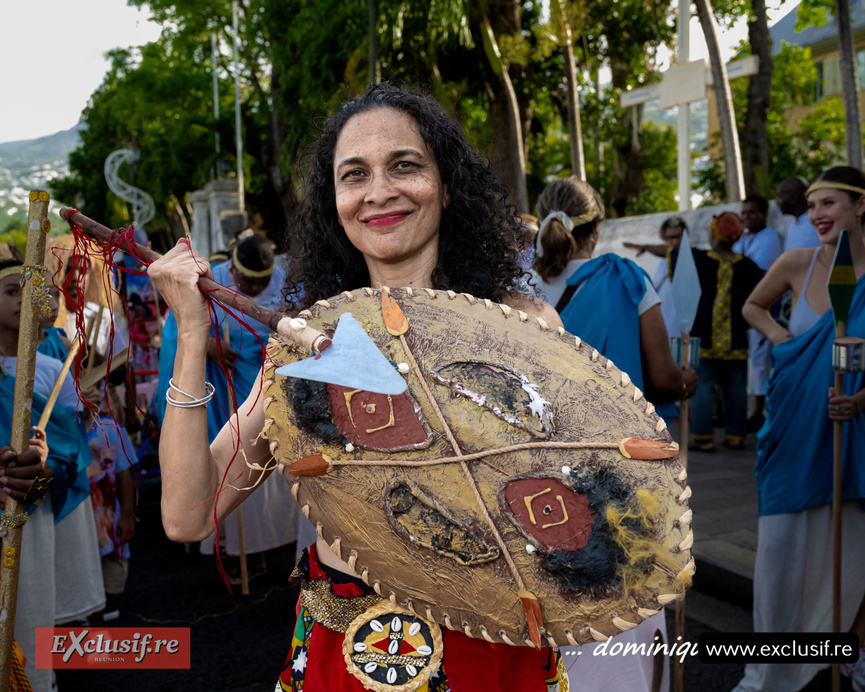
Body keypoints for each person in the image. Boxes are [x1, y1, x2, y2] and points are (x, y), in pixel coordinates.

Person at [149, 83, 567, 691]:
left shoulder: (524, 328)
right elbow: (190, 515)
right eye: (354, 175)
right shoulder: (307, 349)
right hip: (346, 658)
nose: (378, 192)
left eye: (405, 165)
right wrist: (191, 333)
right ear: (334, 201)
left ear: (447, 184)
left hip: (496, 654)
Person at [530, 177, 696, 691]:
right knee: (629, 597)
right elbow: (664, 378)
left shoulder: (518, 289)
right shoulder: (628, 277)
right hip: (621, 471)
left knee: (557, 593)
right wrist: (689, 379)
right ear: (597, 227)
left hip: (538, 472)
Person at [734, 166, 865, 692]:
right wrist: (787, 342)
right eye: (813, 207)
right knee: (783, 550)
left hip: (853, 435)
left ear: (860, 206)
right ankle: (778, 667)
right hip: (792, 428)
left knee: (852, 548)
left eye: (829, 203)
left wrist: (859, 400)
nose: (818, 215)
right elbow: (752, 306)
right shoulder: (796, 261)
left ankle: (846, 655)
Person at [674, 212, 763, 451]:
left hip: (704, 336)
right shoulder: (748, 266)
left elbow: (672, 254)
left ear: (713, 233)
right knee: (735, 388)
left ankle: (703, 438)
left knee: (701, 387)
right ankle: (735, 435)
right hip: (736, 339)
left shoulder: (698, 259)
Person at [733, 195, 783, 429]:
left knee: (760, 360)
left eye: (752, 212)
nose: (747, 217)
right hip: (740, 309)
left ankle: (757, 411)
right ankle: (744, 409)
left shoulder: (770, 239)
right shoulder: (742, 238)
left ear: (764, 214)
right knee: (746, 359)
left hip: (762, 306)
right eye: (744, 212)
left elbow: (755, 272)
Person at [776, 176, 821, 252]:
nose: (777, 201)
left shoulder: (815, 222)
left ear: (793, 199)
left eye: (780, 196)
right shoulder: (792, 222)